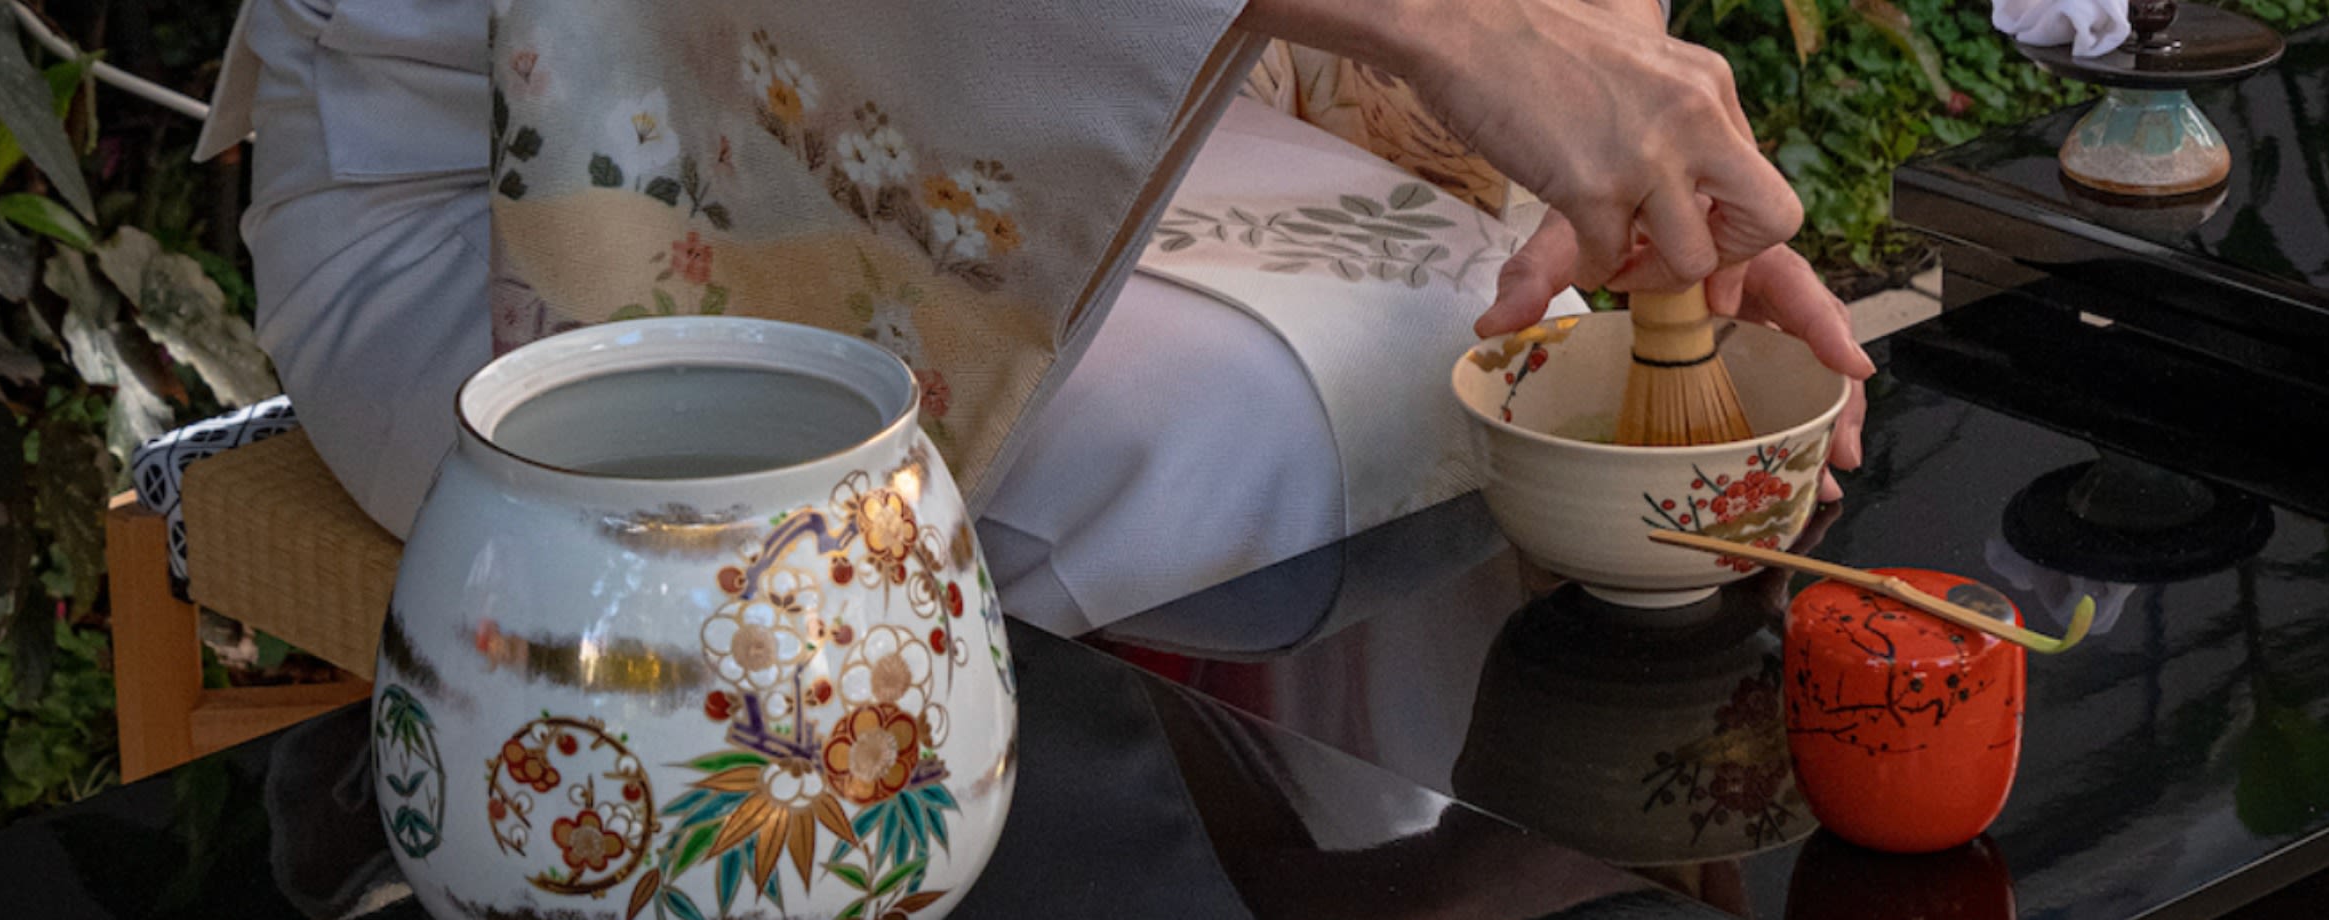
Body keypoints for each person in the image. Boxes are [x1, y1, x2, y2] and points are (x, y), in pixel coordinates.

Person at [196, 0, 1870, 637]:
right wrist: (1454, 34)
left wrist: (1622, 159)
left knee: (1464, 336)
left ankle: (1362, 884)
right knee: (1232, 433)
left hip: (1064, 89)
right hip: (547, 153)